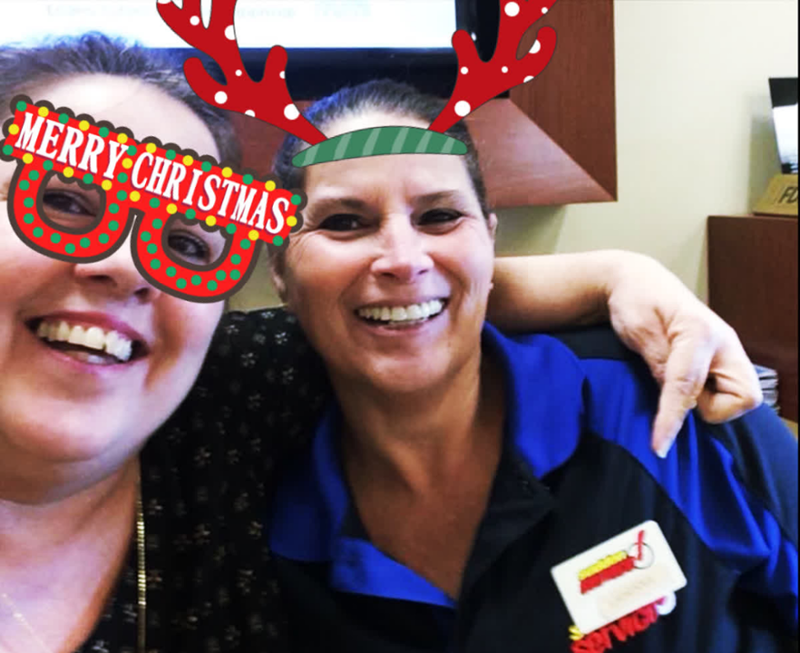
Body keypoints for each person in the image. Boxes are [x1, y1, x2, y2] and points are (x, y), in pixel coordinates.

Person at [0, 35, 765, 653]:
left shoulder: (214, 396)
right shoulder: (243, 423)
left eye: (184, 243)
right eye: (61, 202)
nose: (124, 264)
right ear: (281, 272)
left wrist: (621, 274)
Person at [267, 79, 799, 653]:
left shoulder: (664, 398)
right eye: (344, 222)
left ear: (490, 243)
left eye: (440, 215)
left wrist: (623, 271)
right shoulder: (268, 523)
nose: (404, 259)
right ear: (279, 269)